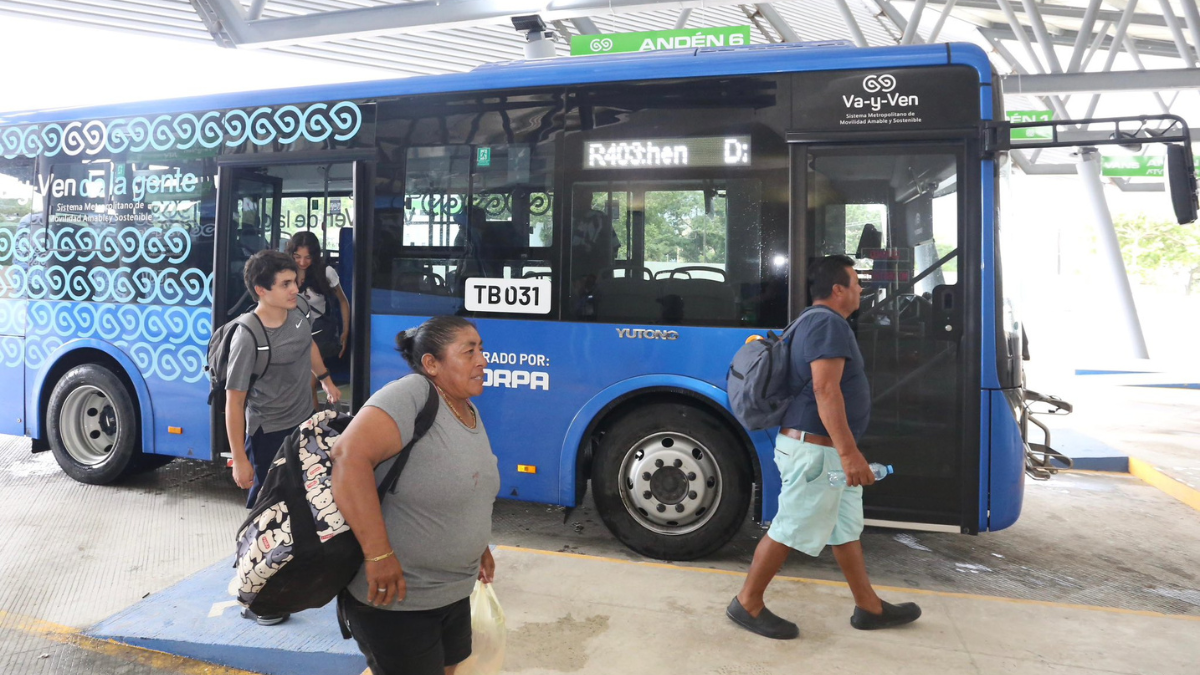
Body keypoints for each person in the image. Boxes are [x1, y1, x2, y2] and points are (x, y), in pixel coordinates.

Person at [726, 255, 921, 640]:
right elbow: (825, 389)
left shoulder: (814, 322)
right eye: (855, 282)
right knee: (790, 527)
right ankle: (747, 603)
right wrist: (850, 454)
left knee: (844, 527)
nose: (860, 289)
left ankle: (869, 607)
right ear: (838, 289)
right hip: (817, 453)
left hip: (823, 451)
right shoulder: (828, 324)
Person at [330, 316, 499, 675]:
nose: (483, 360)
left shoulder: (467, 408)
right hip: (399, 600)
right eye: (469, 352)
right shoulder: (412, 394)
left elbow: (467, 486)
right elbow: (348, 457)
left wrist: (478, 544)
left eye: (481, 349)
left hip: (451, 592)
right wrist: (378, 555)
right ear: (431, 364)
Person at [225, 249, 342, 626]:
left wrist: (325, 379)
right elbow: (234, 401)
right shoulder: (249, 335)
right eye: (286, 284)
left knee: (304, 505)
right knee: (266, 516)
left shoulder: (301, 313)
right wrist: (240, 459)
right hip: (266, 434)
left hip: (300, 426)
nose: (296, 288)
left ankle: (289, 578)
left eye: (296, 281)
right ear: (262, 289)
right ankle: (256, 596)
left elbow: (307, 344)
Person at [286, 231, 351, 407]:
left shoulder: (326, 272)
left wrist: (345, 331)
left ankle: (313, 428)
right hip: (288, 333)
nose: (302, 262)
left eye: (308, 257)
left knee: (309, 385)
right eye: (297, 256)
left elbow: (343, 302)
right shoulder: (283, 271)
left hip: (317, 334)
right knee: (296, 386)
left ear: (315, 255)